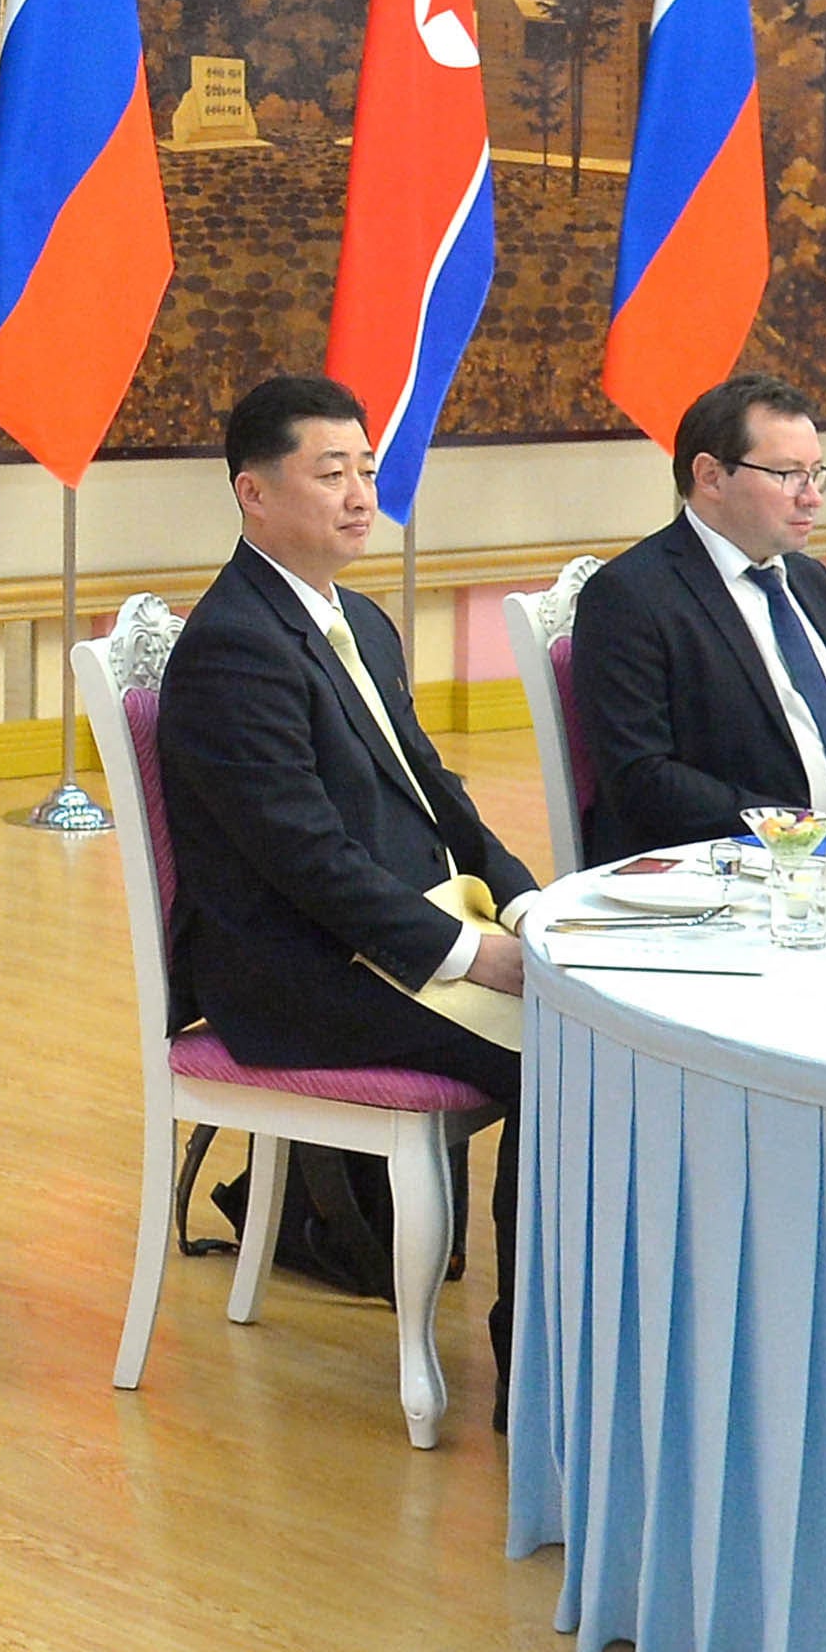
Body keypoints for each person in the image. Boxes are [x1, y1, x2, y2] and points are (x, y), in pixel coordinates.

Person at [153, 371, 540, 1366]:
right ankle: (532, 1364)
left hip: (387, 927)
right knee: (562, 1059)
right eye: (331, 473)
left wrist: (526, 902)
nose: (361, 494)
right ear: (253, 492)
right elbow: (304, 861)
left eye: (366, 469)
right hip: (296, 968)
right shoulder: (233, 645)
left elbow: (433, 790)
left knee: (587, 1019)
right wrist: (466, 954)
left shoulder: (358, 618)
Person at [563, 371, 826, 859]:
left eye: (816, 473)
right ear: (711, 476)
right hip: (731, 869)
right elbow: (644, 777)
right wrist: (815, 826)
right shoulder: (630, 596)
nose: (811, 496)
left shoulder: (809, 579)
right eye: (787, 474)